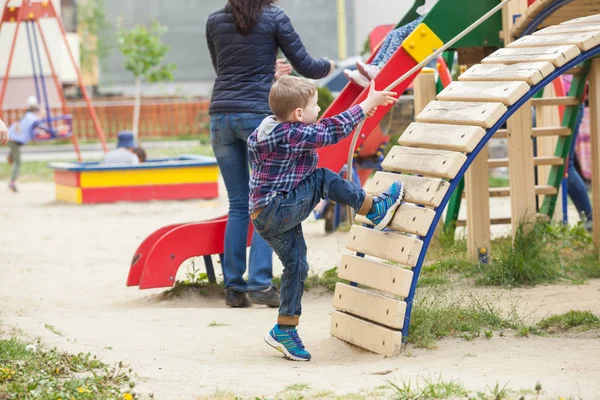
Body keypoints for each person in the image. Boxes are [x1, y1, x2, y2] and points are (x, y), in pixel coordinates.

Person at [248, 76, 403, 361]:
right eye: (314, 105)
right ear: (297, 114)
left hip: (265, 215)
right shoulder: (290, 134)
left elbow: (321, 128)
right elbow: (328, 132)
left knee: (296, 265)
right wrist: (367, 104)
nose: (318, 109)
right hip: (277, 209)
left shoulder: (268, 129)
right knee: (321, 178)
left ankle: (285, 329)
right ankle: (373, 208)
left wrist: (358, 114)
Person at [206, 0, 335, 308]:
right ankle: (261, 283)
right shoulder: (275, 16)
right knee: (265, 202)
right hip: (255, 117)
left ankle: (234, 287)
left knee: (238, 204)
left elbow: (223, 68)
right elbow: (307, 67)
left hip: (220, 116)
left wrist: (266, 68)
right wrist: (332, 65)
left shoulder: (214, 20)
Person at [344, 0, 438, 87]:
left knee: (398, 34)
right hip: (430, 14)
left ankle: (380, 69)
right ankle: (372, 69)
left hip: (434, 17)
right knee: (391, 34)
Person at [6, 98, 47, 192]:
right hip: (14, 140)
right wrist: (54, 131)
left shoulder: (28, 116)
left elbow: (32, 131)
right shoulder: (33, 118)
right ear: (37, 111)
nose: (44, 113)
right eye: (43, 111)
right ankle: (12, 183)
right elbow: (40, 127)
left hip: (13, 138)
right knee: (18, 162)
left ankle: (11, 154)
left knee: (15, 156)